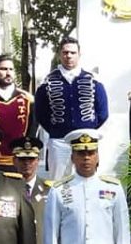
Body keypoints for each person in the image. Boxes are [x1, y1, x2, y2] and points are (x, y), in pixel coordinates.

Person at [34, 38, 109, 180]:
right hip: (59, 141)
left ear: (79, 54)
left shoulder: (93, 80)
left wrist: (88, 128)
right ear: (59, 54)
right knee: (57, 182)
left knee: (87, 180)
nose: (69, 56)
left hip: (85, 141)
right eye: (65, 52)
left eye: (73, 53)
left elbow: (103, 112)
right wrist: (55, 129)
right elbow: (40, 112)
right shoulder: (47, 81)